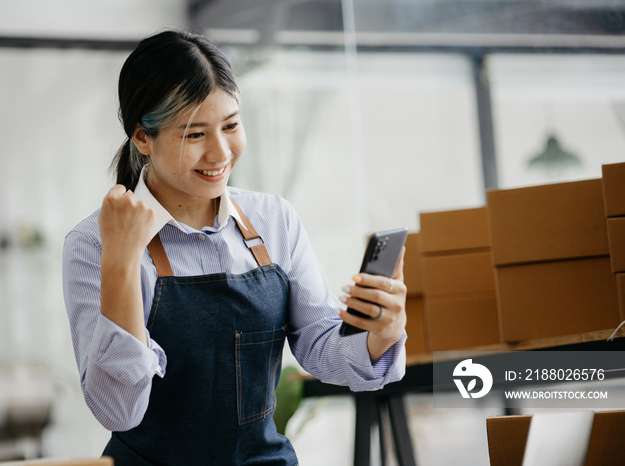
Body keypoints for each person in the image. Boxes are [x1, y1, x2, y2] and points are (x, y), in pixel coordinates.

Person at [62, 29, 407, 466]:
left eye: (231, 125)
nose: (221, 152)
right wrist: (121, 261)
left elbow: (322, 349)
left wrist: (382, 333)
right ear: (143, 137)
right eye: (194, 135)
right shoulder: (92, 244)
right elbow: (118, 410)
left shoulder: (274, 220)